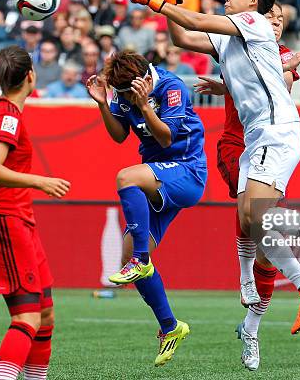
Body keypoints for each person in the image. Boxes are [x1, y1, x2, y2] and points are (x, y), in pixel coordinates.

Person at [129, 0, 300, 342]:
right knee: (250, 220)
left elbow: (197, 18)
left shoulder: (253, 22)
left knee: (255, 216)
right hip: (256, 137)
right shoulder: (230, 36)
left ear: (252, 2)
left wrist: (154, 2)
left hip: (277, 130)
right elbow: (182, 37)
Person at [193, 1, 300, 370]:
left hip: (271, 142)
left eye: (280, 21)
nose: (274, 25)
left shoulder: (281, 55)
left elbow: (283, 83)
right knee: (252, 218)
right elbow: (189, 35)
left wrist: (281, 66)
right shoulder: (233, 38)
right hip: (237, 142)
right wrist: (226, 84)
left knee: (266, 251)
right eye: (269, 18)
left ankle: (251, 328)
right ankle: (299, 278)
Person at [86, 50, 207, 366]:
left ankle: (141, 258)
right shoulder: (124, 93)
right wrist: (102, 103)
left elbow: (166, 139)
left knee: (125, 176)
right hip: (157, 177)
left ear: (143, 79)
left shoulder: (171, 87)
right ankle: (170, 326)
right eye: (119, 93)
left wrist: (143, 105)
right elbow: (119, 136)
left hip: (187, 170)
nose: (123, 96)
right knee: (127, 259)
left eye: (127, 91)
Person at [0, 46, 71, 380]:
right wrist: (40, 182)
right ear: (31, 75)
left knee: (45, 315)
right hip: (4, 219)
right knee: (26, 318)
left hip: (18, 220)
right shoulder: (7, 117)